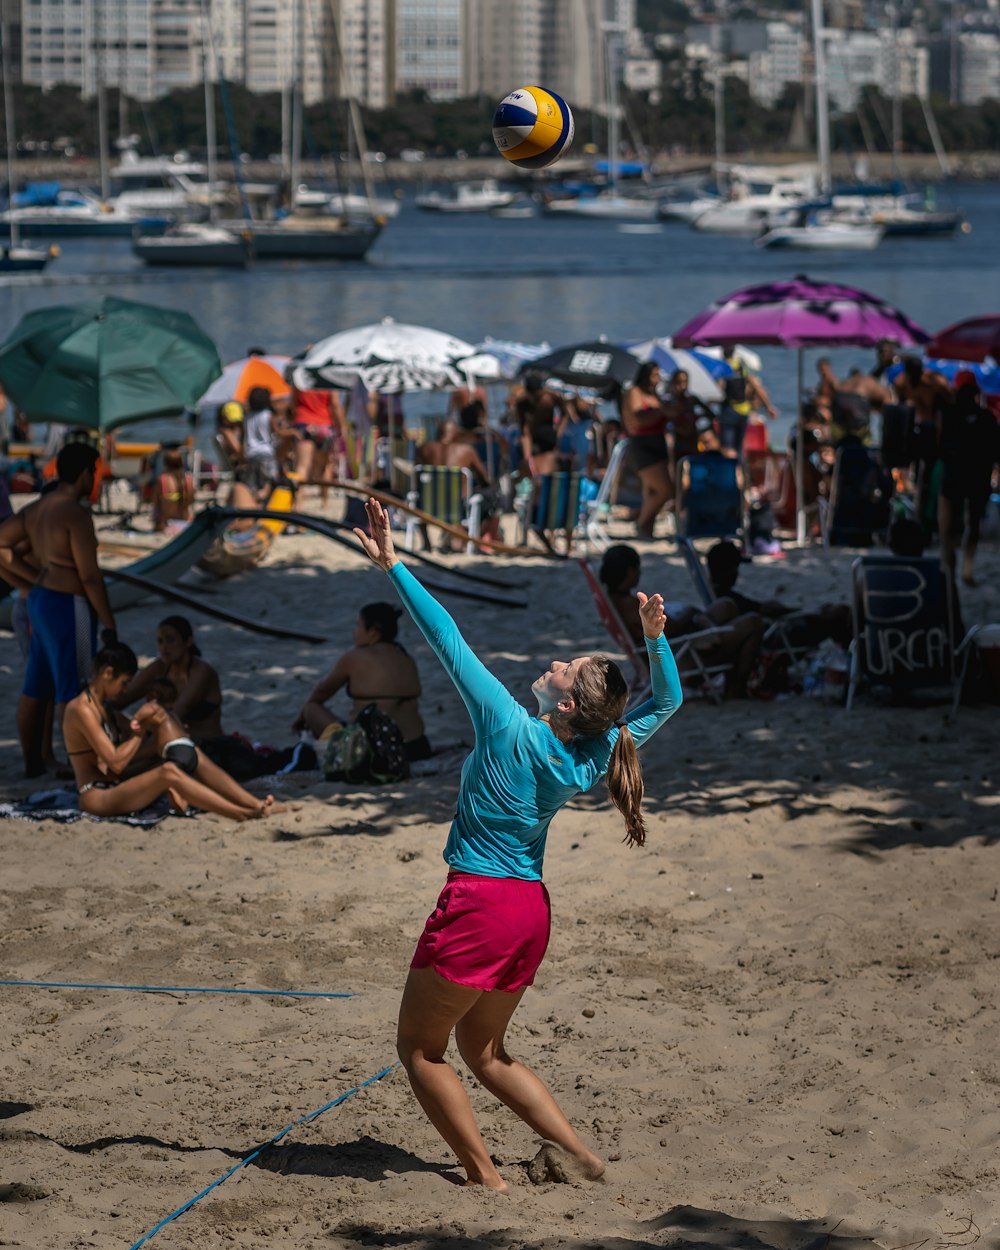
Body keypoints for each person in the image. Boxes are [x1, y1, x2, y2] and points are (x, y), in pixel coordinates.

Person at [352, 498, 681, 1191]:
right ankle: (582, 1160)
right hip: (528, 912)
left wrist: (394, 566)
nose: (558, 662)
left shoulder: (506, 721)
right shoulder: (594, 754)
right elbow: (665, 703)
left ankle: (486, 1178)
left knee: (419, 1049)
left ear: (566, 704)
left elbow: (447, 639)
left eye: (568, 667)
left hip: (478, 903)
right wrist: (654, 641)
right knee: (486, 1051)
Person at [0, 442, 116, 778]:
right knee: (75, 687)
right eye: (93, 472)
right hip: (70, 603)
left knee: (35, 687)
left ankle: (33, 763)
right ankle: (78, 766)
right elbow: (90, 577)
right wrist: (109, 622)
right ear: (84, 474)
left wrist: (34, 580)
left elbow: (3, 544)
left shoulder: (39, 508)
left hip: (40, 601)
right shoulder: (75, 513)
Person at [64, 642, 281, 821]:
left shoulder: (105, 707)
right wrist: (142, 730)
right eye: (124, 683)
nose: (126, 690)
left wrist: (156, 732)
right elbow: (116, 762)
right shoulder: (81, 709)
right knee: (168, 772)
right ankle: (241, 814)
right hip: (97, 795)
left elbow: (122, 754)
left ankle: (253, 803)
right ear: (108, 673)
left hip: (116, 783)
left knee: (190, 751)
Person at [599, 544, 764, 699]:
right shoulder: (630, 606)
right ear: (629, 571)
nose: (639, 573)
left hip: (674, 649)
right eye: (637, 569)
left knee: (726, 605)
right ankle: (735, 688)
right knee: (753, 622)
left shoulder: (613, 602)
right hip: (681, 659)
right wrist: (689, 613)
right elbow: (670, 628)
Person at [293, 601, 431, 761]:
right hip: (417, 747)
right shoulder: (407, 658)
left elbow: (322, 692)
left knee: (311, 709)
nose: (354, 632)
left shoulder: (355, 657)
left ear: (372, 632)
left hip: (375, 750)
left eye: (358, 626)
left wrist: (302, 716)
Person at [937, 370, 1000, 588]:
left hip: (954, 478)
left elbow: (939, 448)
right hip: (977, 479)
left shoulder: (948, 415)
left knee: (948, 529)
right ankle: (966, 570)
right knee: (972, 526)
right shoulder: (987, 418)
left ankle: (951, 570)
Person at [119, 615, 224, 742]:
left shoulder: (201, 672)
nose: (164, 647)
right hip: (167, 739)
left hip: (206, 744)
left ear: (188, 641)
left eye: (170, 640)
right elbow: (123, 697)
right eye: (160, 641)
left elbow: (177, 713)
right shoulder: (159, 667)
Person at [620, 360, 671, 538]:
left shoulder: (654, 394)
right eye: (655, 375)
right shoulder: (634, 392)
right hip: (643, 444)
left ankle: (647, 527)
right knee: (665, 489)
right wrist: (662, 412)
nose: (658, 379)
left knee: (651, 490)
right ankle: (642, 523)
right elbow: (638, 418)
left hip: (657, 443)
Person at [718, 346, 776, 457]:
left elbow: (720, 387)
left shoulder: (722, 366)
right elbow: (756, 387)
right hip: (744, 410)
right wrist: (768, 406)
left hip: (729, 409)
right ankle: (739, 471)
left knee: (727, 448)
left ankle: (732, 472)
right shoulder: (740, 366)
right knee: (739, 448)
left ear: (723, 353)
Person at [243, 386, 278, 493]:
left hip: (251, 453)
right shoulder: (268, 415)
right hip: (266, 452)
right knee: (268, 482)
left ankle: (254, 502)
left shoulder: (247, 416)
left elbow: (244, 437)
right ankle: (262, 502)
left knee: (253, 485)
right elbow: (276, 431)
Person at [151, 449, 195, 531]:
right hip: (187, 522)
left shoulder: (162, 480)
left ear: (166, 464)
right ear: (181, 463)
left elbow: (155, 503)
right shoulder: (189, 480)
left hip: (167, 523)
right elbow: (191, 501)